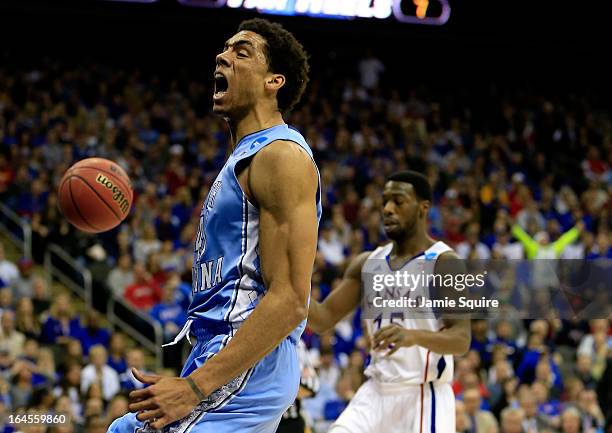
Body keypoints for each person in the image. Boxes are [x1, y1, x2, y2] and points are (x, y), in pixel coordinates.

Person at [109, 18, 320, 433]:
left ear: (273, 81)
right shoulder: (245, 157)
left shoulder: (281, 156)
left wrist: (195, 386)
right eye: (225, 48)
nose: (223, 55)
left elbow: (292, 297)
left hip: (247, 361)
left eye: (242, 52)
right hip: (222, 353)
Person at [308, 170, 471, 433]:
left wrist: (412, 336)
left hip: (422, 393)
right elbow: (322, 318)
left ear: (423, 208)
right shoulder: (367, 263)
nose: (387, 208)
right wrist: (285, 287)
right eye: (384, 201)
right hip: (375, 390)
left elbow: (461, 339)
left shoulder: (444, 262)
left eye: (398, 201)